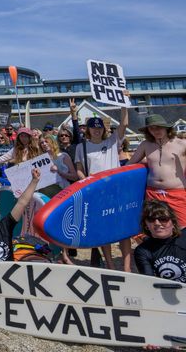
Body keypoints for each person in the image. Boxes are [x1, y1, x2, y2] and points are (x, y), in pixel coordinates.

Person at [75, 100, 130, 271]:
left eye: (100, 127)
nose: (97, 129)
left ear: (104, 129)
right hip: (96, 191)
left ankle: (127, 267)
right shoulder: (81, 146)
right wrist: (88, 184)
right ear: (88, 129)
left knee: (123, 229)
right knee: (104, 228)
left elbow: (124, 123)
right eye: (93, 127)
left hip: (115, 190)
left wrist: (124, 104)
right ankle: (111, 264)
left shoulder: (113, 141)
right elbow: (79, 169)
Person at [129, 114, 186, 230]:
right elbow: (129, 164)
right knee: (156, 229)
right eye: (152, 128)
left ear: (166, 128)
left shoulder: (182, 143)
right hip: (153, 193)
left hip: (177, 193)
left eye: (159, 127)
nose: (156, 131)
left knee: (183, 228)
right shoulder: (145, 145)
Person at [134, 200, 185, 283]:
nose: (157, 223)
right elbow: (149, 282)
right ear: (146, 225)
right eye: (151, 219)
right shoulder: (143, 251)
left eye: (163, 219)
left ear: (173, 222)